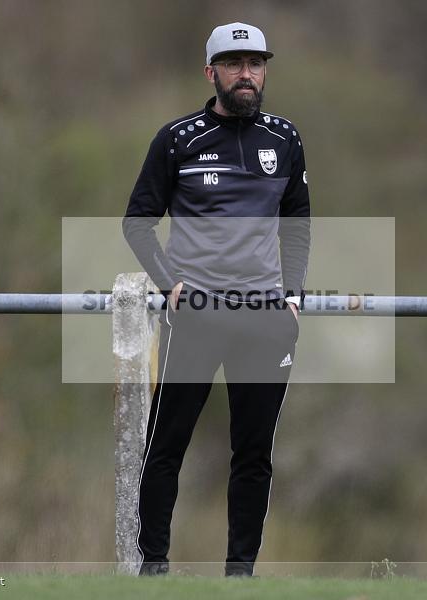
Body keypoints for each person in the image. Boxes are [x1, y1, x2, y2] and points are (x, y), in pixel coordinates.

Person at [122, 21, 310, 578]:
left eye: (255, 64)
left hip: (265, 319)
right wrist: (168, 283)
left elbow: (297, 221)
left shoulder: (286, 138)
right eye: (234, 64)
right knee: (167, 447)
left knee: (253, 457)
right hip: (197, 315)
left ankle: (240, 578)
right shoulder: (177, 139)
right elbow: (137, 223)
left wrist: (293, 293)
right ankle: (153, 571)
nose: (246, 74)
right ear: (212, 72)